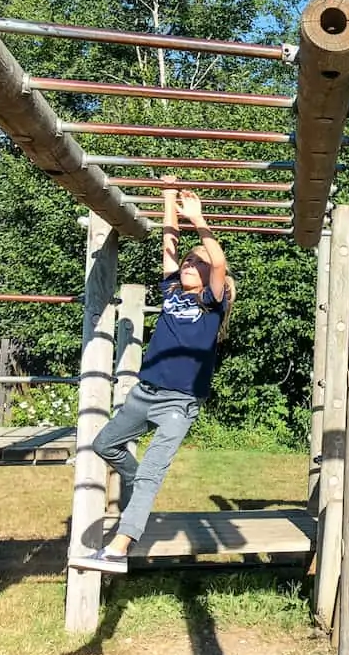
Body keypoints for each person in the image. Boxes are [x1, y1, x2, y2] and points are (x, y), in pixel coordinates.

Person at [70, 176, 234, 574]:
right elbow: (168, 245)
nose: (189, 265)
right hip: (144, 394)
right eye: (189, 262)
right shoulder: (173, 291)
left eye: (198, 263)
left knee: (151, 475)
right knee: (105, 444)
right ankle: (143, 483)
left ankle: (119, 547)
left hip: (179, 402)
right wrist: (168, 196)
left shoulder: (212, 303)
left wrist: (198, 219)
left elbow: (221, 261)